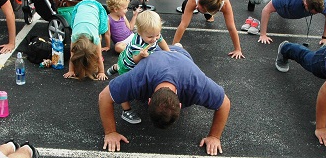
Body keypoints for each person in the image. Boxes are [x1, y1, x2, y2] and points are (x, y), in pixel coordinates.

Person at [98, 47, 231, 155]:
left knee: (178, 49)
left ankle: (178, 46)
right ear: (149, 100)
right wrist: (110, 132)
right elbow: (104, 97)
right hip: (156, 53)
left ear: (149, 100)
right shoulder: (139, 78)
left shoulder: (196, 83)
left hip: (182, 57)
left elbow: (224, 103)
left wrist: (214, 136)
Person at [173, 0, 244, 59]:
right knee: (185, 13)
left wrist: (238, 49)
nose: (196, 7)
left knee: (208, 17)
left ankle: (208, 15)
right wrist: (173, 47)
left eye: (199, 7)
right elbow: (183, 24)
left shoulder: (225, 4)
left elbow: (231, 28)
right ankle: (187, 9)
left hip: (212, 2)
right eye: (198, 5)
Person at [248, 0, 326, 45]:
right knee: (266, 0)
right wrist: (263, 34)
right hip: (283, 2)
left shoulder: (322, 1)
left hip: (291, 10)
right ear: (306, 4)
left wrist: (324, 38)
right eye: (313, 13)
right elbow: (266, 10)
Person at [63, 0, 108, 80]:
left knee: (100, 32)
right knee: (82, 58)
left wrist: (101, 72)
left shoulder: (95, 38)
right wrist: (71, 70)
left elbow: (99, 57)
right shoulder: (74, 37)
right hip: (80, 7)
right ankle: (85, 62)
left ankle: (90, 61)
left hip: (95, 7)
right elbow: (72, 56)